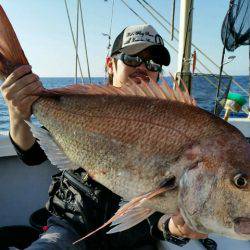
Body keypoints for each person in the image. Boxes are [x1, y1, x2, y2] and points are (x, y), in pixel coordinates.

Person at [0, 24, 207, 250]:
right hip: (70, 227)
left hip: (134, 241)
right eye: (131, 57)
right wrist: (18, 112)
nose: (143, 67)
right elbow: (32, 155)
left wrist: (173, 229)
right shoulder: (86, 107)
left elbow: (158, 216)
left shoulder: (175, 122)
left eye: (152, 63)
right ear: (110, 64)